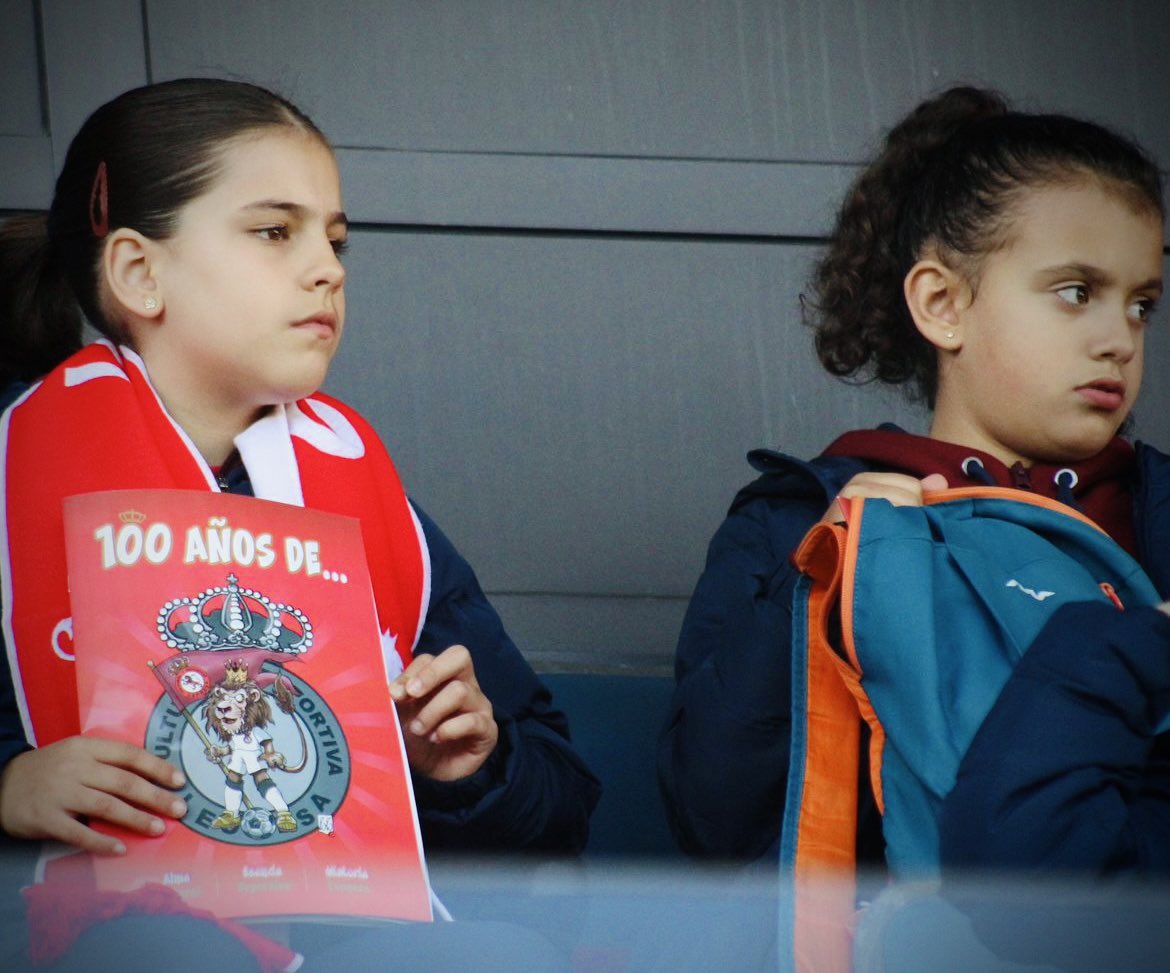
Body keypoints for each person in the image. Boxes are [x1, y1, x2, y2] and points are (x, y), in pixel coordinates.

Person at [0, 77, 599, 968]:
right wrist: (9, 784)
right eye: (275, 231)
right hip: (93, 935)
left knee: (501, 955)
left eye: (336, 238)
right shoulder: (10, 469)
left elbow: (561, 798)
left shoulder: (372, 505)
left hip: (354, 939)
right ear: (138, 272)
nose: (329, 267)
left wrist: (470, 766)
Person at [657, 85, 1167, 869]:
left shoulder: (1155, 510)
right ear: (942, 304)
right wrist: (810, 583)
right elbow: (712, 818)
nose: (1120, 340)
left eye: (1141, 305)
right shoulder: (796, 520)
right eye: (1076, 292)